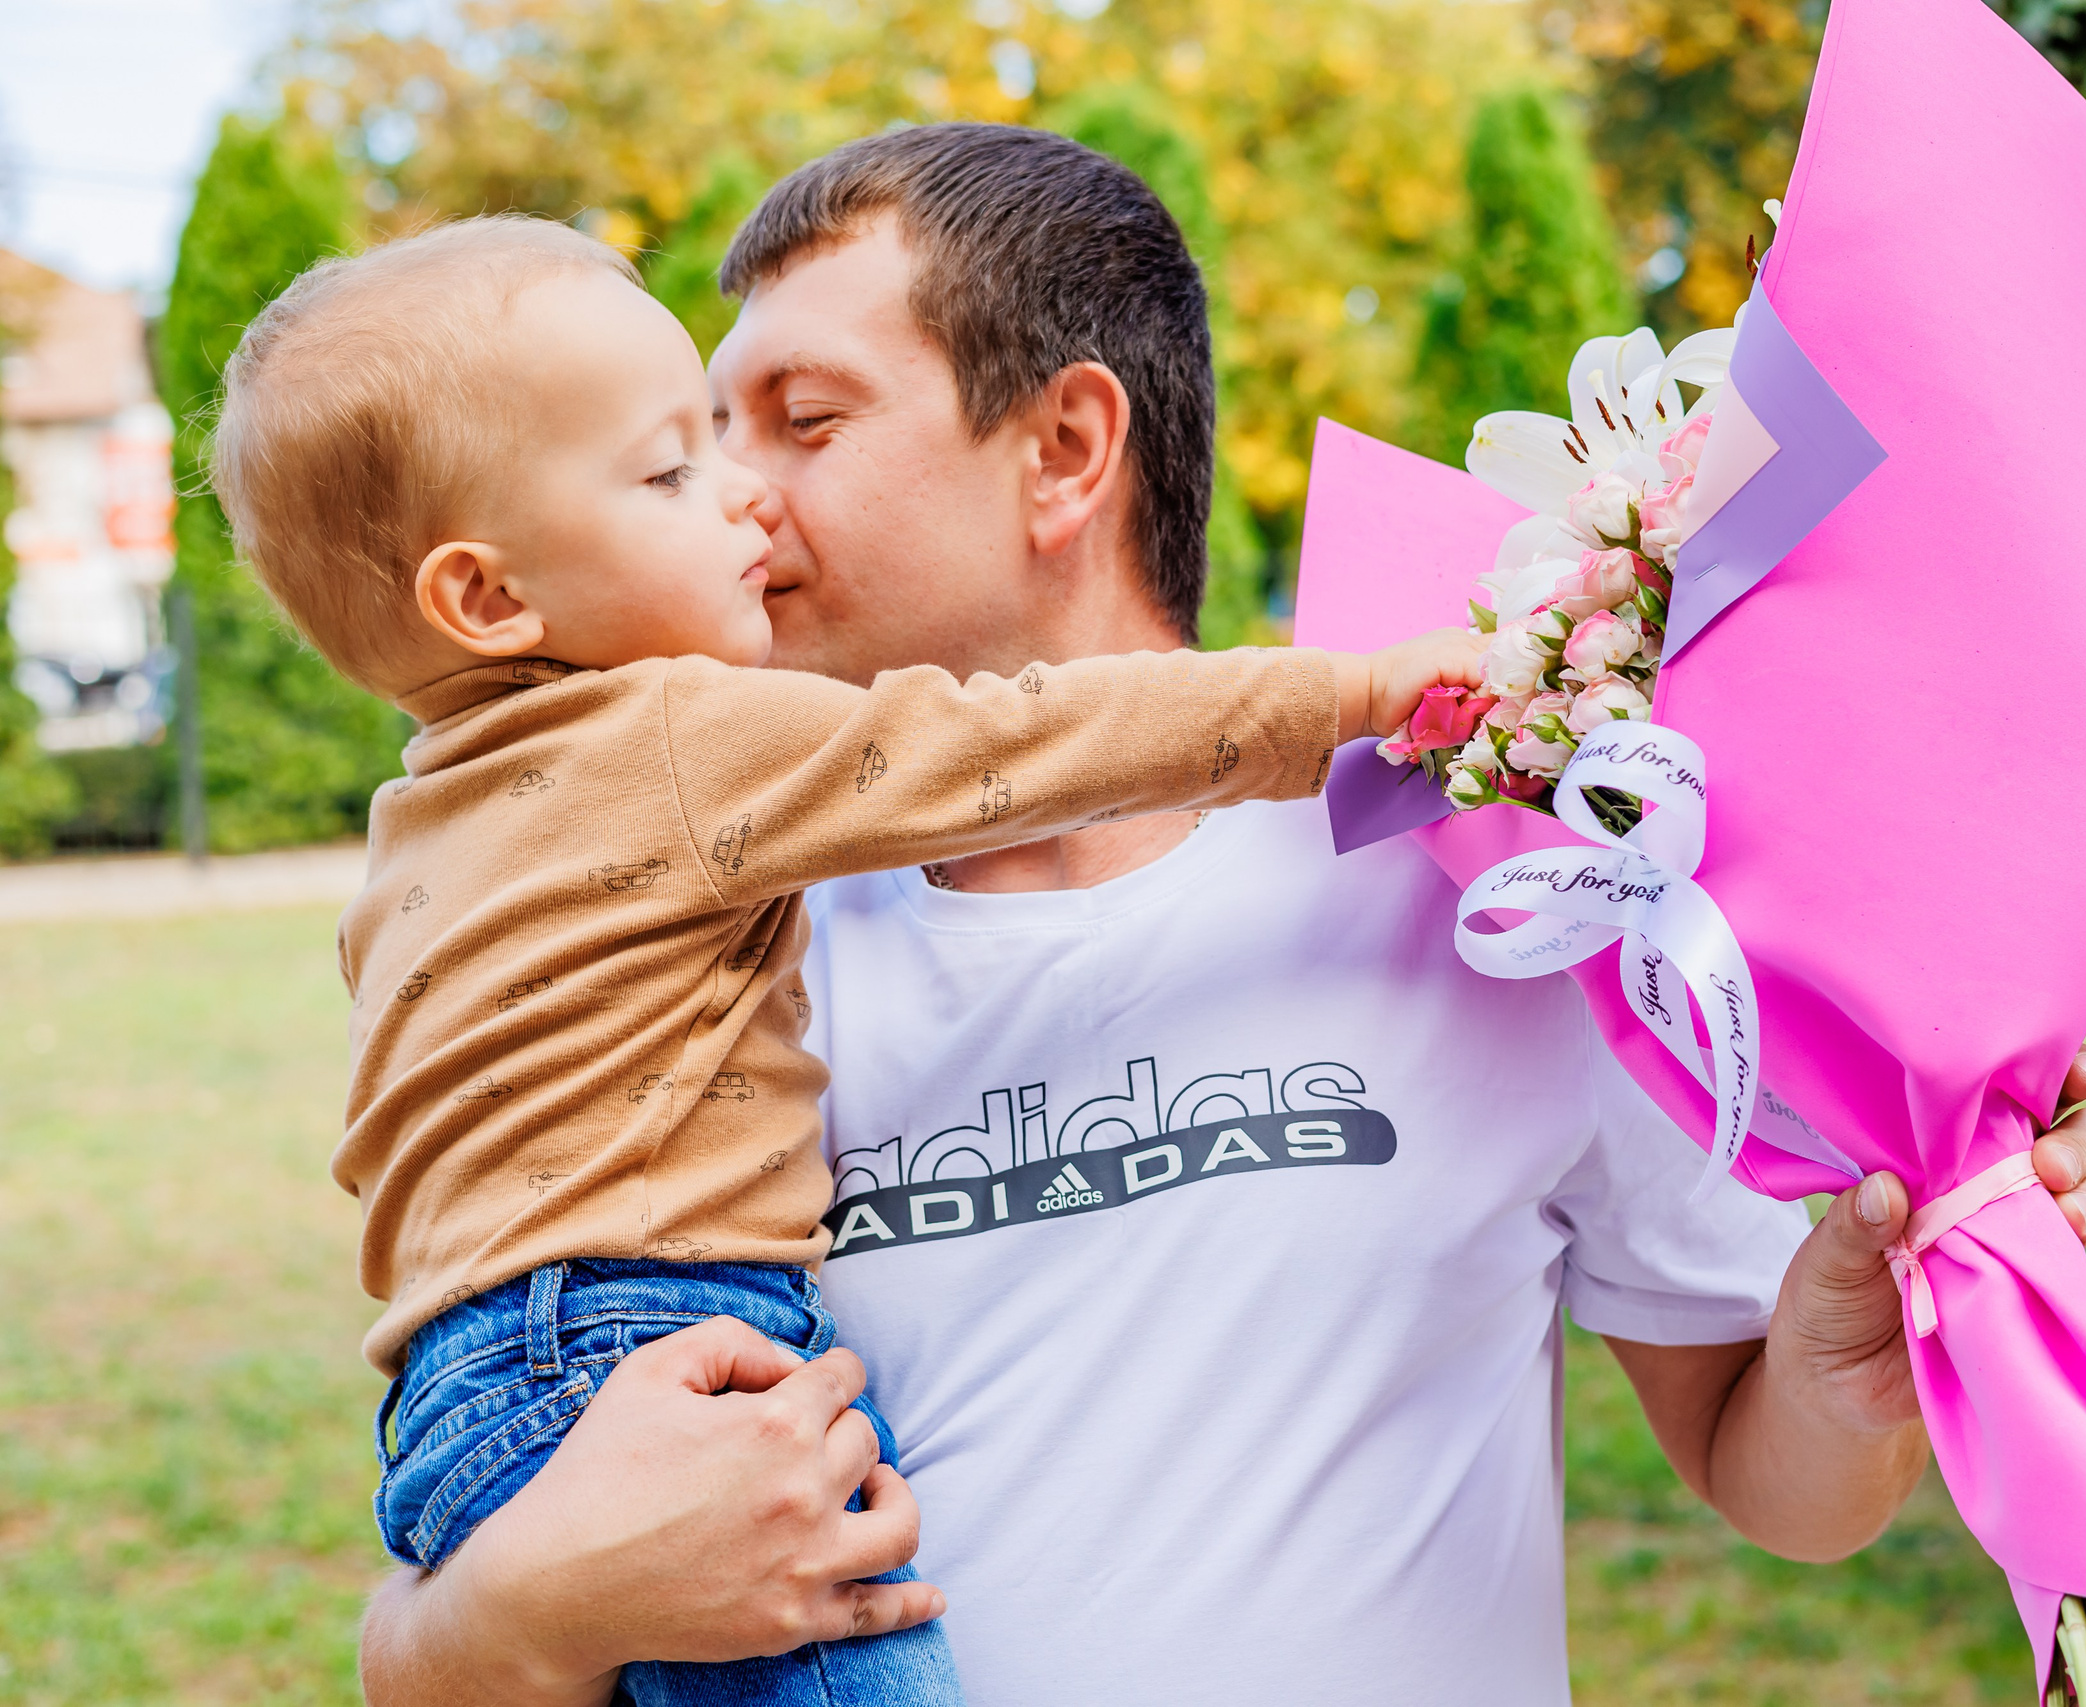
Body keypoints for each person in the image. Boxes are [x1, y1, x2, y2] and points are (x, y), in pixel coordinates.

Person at [357, 125, 2086, 1706]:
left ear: (1066, 449)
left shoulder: (1504, 887)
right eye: (699, 442)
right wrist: (514, 1619)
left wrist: (1852, 1368)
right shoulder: (692, 970)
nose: (735, 495)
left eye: (801, 422)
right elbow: (437, 1617)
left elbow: (1779, 1490)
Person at [209, 211, 1487, 1707]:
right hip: (650, 1343)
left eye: (785, 428)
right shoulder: (676, 741)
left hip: (458, 1396)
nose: (743, 495)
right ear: (490, 599)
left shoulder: (427, 821)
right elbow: (1023, 741)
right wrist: (1358, 690)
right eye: (674, 468)